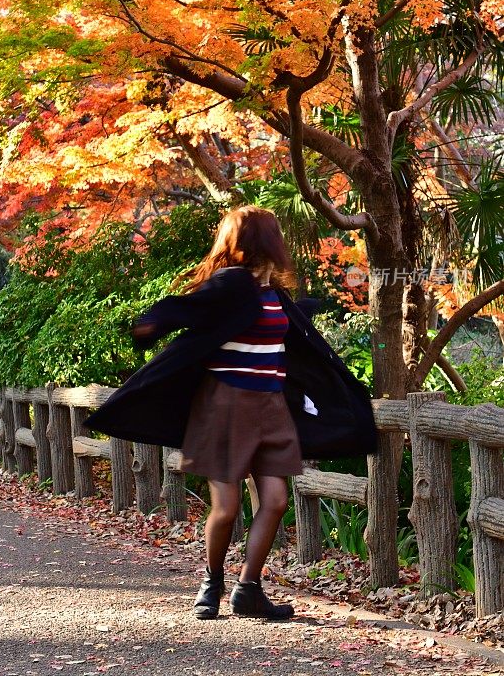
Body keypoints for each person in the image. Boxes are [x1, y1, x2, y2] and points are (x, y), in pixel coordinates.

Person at [85, 206, 377, 620]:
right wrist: (153, 323)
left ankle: (248, 589)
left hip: (272, 409)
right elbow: (187, 308)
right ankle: (212, 581)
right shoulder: (230, 285)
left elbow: (297, 347)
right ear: (265, 240)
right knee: (226, 507)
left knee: (275, 501)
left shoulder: (274, 294)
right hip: (225, 407)